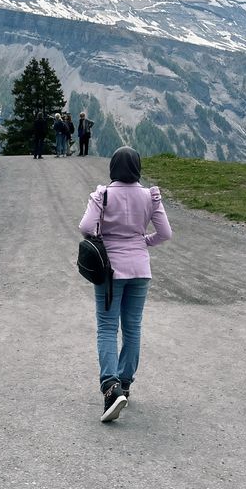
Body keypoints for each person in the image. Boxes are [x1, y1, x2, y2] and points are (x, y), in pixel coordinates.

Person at [79, 146, 172, 423]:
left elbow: (85, 227)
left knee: (108, 327)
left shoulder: (104, 194)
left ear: (112, 168)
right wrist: (143, 241)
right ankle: (125, 384)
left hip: (111, 271)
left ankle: (110, 387)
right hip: (141, 268)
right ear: (137, 168)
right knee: (133, 328)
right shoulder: (149, 195)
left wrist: (103, 237)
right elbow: (166, 233)